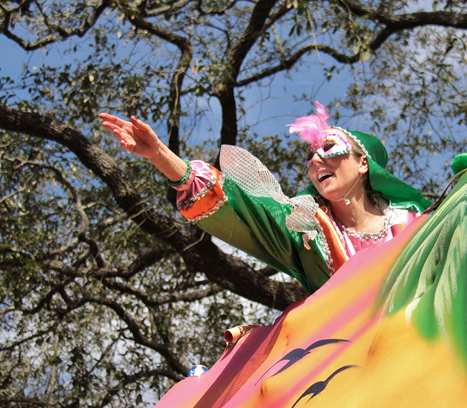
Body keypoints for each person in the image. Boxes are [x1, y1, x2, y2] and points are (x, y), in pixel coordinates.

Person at [100, 102, 430, 294]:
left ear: (362, 163)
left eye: (328, 148)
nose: (316, 160)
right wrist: (160, 155)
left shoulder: (416, 220)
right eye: (310, 154)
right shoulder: (306, 229)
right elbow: (243, 210)